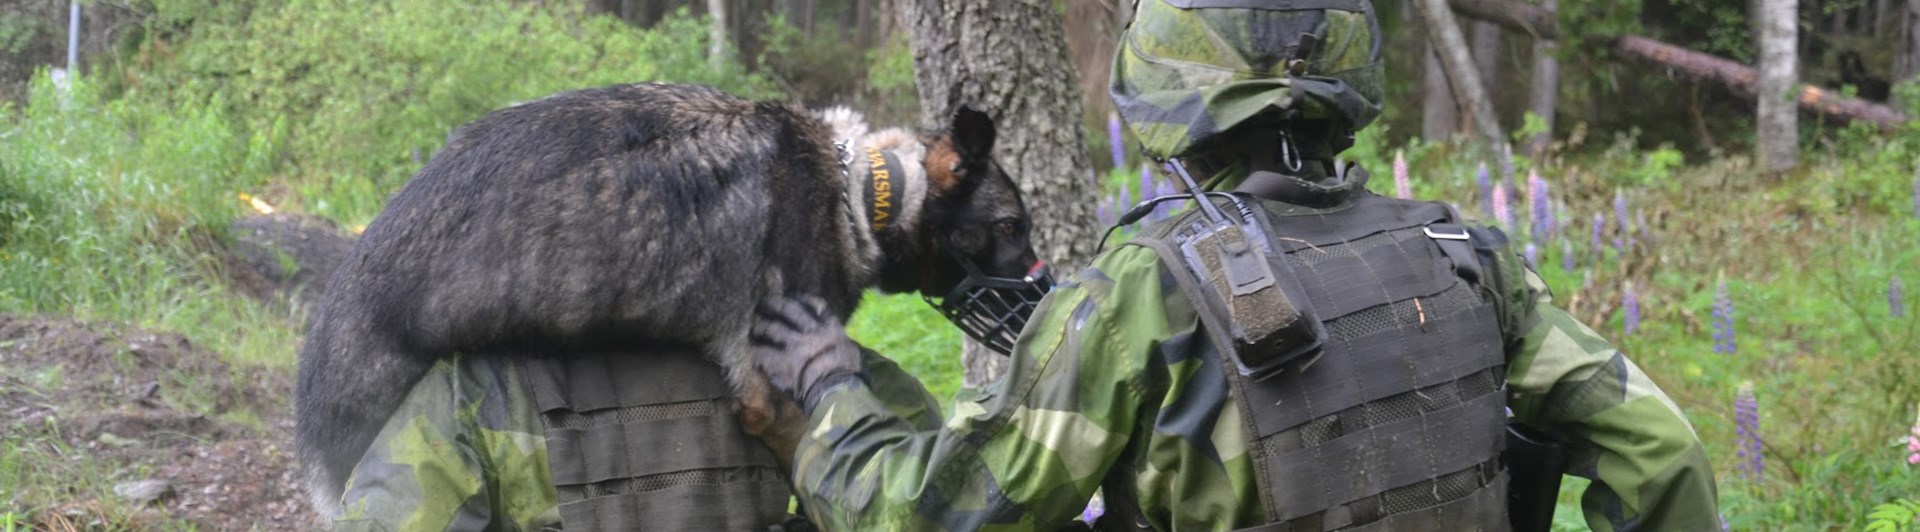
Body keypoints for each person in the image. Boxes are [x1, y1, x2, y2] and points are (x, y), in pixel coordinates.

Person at [744, 1, 1722, 530]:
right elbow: (1665, 450)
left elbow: (942, 513)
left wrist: (825, 406)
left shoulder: (1145, 286)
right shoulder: (1464, 252)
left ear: (1168, 111)